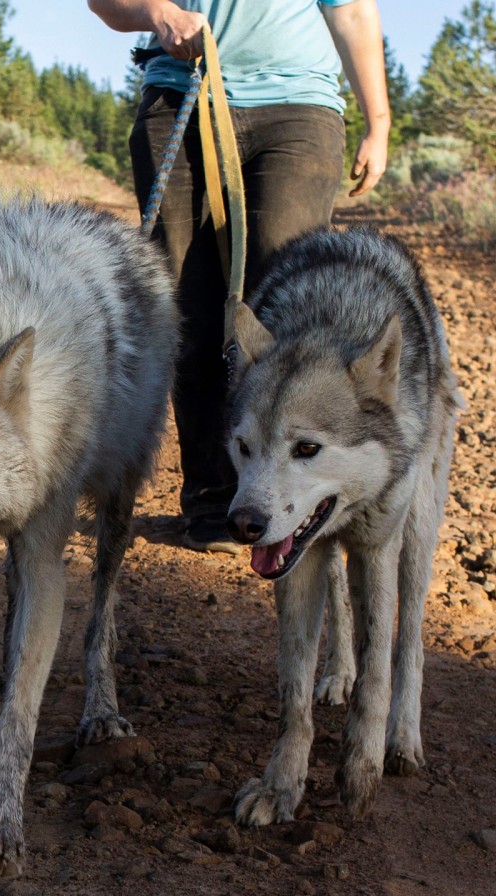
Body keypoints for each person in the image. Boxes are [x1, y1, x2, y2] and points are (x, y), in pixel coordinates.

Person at [88, 0, 392, 552]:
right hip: (179, 96)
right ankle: (213, 501)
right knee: (189, 316)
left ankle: (296, 499)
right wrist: (158, 12)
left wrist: (380, 122)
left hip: (299, 109)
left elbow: (351, 12)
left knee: (283, 319)